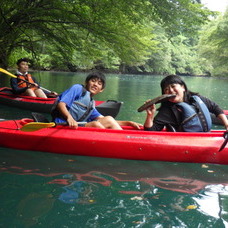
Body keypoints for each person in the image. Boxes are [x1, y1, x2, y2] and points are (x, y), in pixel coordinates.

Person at [53, 72, 142, 130]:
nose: (95, 84)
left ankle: (122, 140)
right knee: (96, 125)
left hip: (76, 126)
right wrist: (70, 118)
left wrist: (128, 123)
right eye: (93, 81)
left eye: (99, 84)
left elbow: (107, 120)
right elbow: (61, 104)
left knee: (109, 118)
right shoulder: (77, 88)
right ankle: (120, 143)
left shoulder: (91, 104)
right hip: (62, 124)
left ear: (101, 90)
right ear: (86, 82)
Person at [143, 75, 228, 132]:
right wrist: (150, 115)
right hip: (185, 140)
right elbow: (150, 130)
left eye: (173, 86)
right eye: (166, 90)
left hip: (205, 136)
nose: (171, 91)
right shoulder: (167, 110)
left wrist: (226, 124)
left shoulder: (196, 99)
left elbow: (215, 108)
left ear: (183, 87)